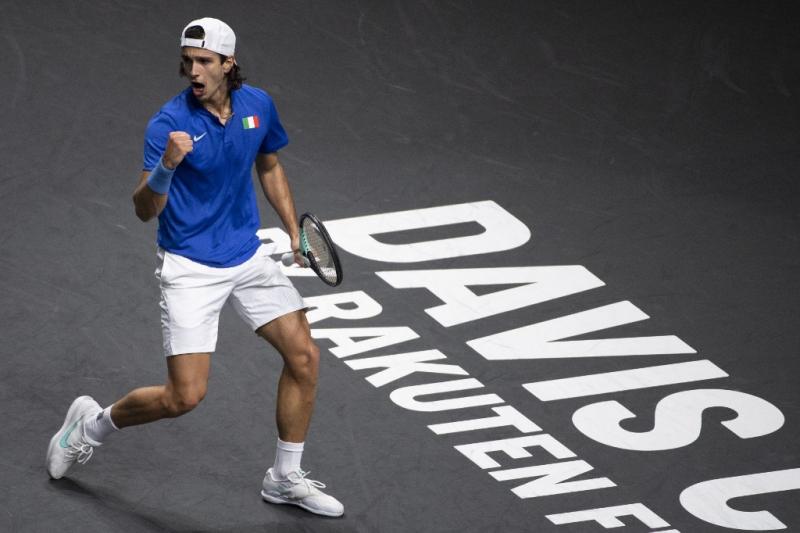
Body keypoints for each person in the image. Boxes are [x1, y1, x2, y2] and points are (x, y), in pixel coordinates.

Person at [45, 17, 344, 518]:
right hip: (190, 266)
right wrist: (166, 165)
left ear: (229, 63)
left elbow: (268, 164)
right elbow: (144, 209)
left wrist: (292, 228)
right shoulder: (167, 125)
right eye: (188, 62)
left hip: (247, 255)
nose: (194, 71)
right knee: (184, 396)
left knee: (305, 358)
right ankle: (89, 425)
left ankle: (284, 477)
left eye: (204, 61)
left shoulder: (258, 106)